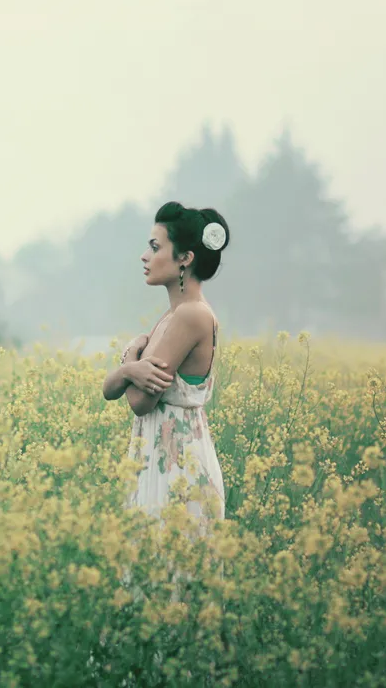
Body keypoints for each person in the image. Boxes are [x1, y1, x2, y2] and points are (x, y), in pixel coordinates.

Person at [102, 201, 229, 532]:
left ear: (185, 258)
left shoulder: (191, 315)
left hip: (179, 473)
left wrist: (129, 360)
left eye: (156, 247)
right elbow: (109, 389)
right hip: (164, 463)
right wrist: (130, 370)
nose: (145, 256)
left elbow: (140, 402)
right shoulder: (174, 315)